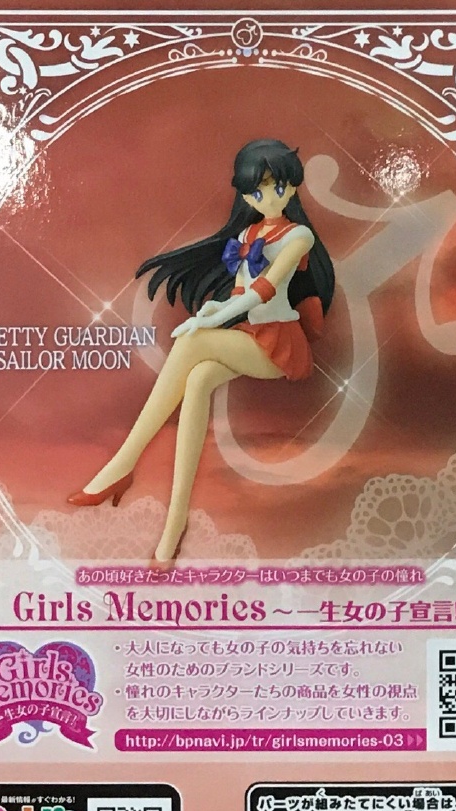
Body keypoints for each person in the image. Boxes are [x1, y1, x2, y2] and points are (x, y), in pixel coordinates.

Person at [68, 138, 335, 566]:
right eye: (258, 191)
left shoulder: (298, 236)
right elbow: (243, 293)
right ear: (245, 196)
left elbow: (264, 290)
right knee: (198, 379)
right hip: (249, 333)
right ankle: (173, 528)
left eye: (279, 187)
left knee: (192, 342)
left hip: (279, 345)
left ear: (293, 186)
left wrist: (208, 323)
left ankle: (122, 464)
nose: (270, 197)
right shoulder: (247, 235)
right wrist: (212, 309)